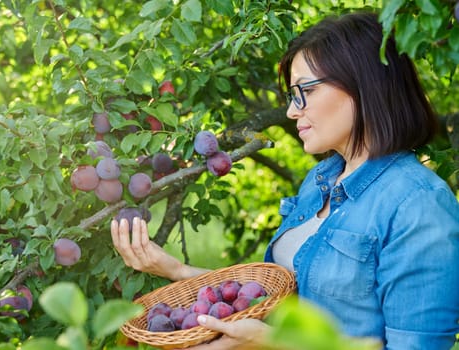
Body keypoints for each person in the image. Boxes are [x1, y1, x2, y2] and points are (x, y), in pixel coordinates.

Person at [111, 11, 459, 350]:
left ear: (362, 84)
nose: (293, 111)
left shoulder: (419, 204)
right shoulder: (320, 180)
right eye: (292, 96)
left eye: (303, 90)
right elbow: (273, 298)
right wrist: (175, 268)